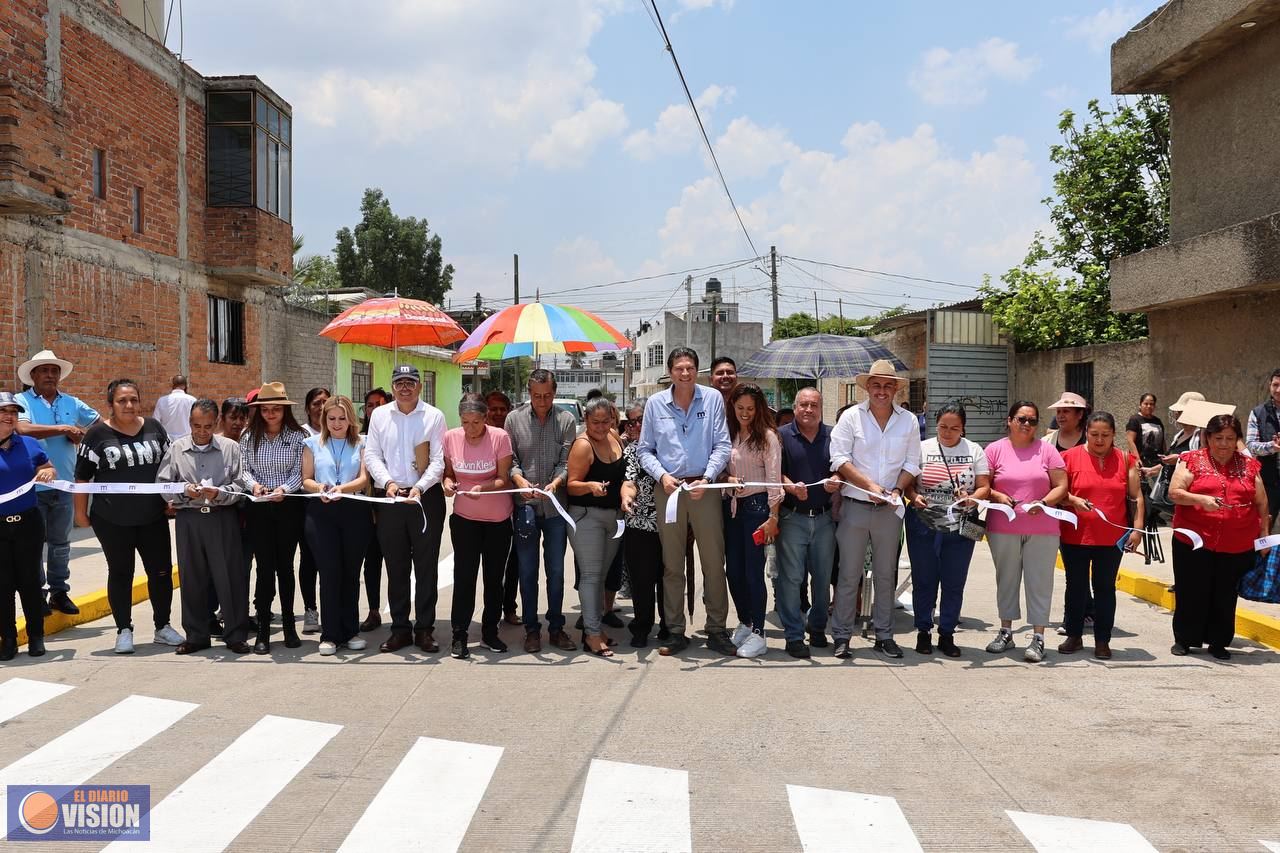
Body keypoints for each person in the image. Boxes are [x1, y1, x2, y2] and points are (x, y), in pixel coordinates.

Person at [636, 347, 736, 657]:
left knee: (713, 562)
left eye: (690, 367)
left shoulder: (713, 399)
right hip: (669, 490)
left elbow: (722, 444)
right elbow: (644, 451)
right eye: (679, 368)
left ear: (697, 370)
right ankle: (675, 630)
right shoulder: (655, 404)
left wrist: (707, 478)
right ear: (670, 371)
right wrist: (662, 476)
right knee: (672, 564)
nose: (685, 373)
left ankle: (717, 628)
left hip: (704, 489)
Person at [74, 378, 183, 654]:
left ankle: (163, 627)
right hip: (112, 519)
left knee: (159, 572)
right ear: (110, 404)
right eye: (122, 400)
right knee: (121, 573)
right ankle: (123, 629)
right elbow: (82, 477)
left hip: (153, 517)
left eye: (133, 399)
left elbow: (171, 467)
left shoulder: (155, 429)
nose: (129, 405)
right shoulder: (97, 435)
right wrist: (80, 515)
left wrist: (172, 500)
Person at [829, 360, 921, 660]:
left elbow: (911, 463)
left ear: (896, 389)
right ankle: (842, 636)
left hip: (889, 510)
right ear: (867, 387)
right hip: (855, 506)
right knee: (848, 575)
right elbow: (839, 459)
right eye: (877, 385)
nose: (882, 391)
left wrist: (895, 490)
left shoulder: (907, 421)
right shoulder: (851, 418)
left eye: (888, 385)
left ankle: (884, 635)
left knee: (886, 574)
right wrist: (870, 485)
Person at [1168, 414, 1270, 660]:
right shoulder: (1191, 460)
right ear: (1207, 438)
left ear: (1238, 440)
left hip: (1237, 543)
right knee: (1191, 590)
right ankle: (1185, 638)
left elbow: (1262, 502)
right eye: (1218, 438)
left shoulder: (1249, 466)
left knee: (1225, 594)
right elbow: (1174, 492)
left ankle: (1218, 641)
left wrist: (1264, 536)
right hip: (1193, 541)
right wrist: (1200, 500)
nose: (1224, 444)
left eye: (1230, 439)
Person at [156, 398, 252, 655]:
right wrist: (185, 492)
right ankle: (197, 635)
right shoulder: (176, 449)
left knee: (229, 577)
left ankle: (235, 635)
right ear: (189, 423)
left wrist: (219, 492)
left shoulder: (230, 448)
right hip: (189, 520)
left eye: (208, 427)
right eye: (197, 426)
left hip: (222, 517)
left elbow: (241, 485)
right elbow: (164, 485)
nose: (202, 432)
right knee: (192, 578)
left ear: (216, 423)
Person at [363, 365, 448, 654]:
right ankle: (400, 628)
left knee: (426, 568)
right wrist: (386, 482)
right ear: (393, 387)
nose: (405, 388)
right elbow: (372, 455)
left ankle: (424, 628)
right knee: (396, 566)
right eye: (399, 383)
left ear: (419, 386)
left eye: (411, 382)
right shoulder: (379, 415)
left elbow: (438, 460)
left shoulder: (434, 416)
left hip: (425, 499)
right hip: (391, 498)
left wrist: (420, 487)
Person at [982, 401, 1068, 663]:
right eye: (1021, 419)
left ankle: (1039, 637)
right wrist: (998, 495)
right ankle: (1006, 631)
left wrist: (1044, 503)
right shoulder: (995, 449)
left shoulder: (1048, 450)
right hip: (1002, 527)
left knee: (1039, 582)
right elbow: (983, 485)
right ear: (1009, 420)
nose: (1027, 425)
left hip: (1043, 528)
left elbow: (1061, 486)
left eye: (1032, 420)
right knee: (1006, 579)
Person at [903, 403, 990, 658]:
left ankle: (947, 632)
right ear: (935, 425)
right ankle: (923, 631)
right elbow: (908, 485)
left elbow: (985, 486)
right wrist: (913, 497)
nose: (948, 432)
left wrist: (972, 498)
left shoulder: (974, 450)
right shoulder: (921, 448)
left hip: (966, 521)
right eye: (943, 427)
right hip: (924, 520)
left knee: (955, 579)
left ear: (963, 428)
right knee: (924, 578)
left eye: (954, 428)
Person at [16, 349, 98, 616]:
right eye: (44, 371)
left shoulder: (72, 403)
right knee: (34, 544)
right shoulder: (22, 401)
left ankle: (59, 592)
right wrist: (64, 429)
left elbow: (98, 426)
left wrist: (81, 434)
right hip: (30, 487)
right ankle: (37, 593)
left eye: (54, 371)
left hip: (64, 486)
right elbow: (23, 429)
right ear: (33, 376)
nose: (50, 375)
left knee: (61, 543)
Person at [1058, 412, 1143, 660]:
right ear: (1086, 432)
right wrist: (1073, 500)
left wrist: (1137, 529)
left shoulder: (1125, 459)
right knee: (1076, 587)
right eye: (1094, 434)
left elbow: (1136, 497)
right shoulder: (1069, 458)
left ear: (1113, 435)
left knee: (1105, 588)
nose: (1099, 440)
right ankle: (1073, 635)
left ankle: (1102, 640)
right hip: (1076, 536)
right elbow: (1057, 492)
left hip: (1111, 538)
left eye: (1105, 435)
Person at [506, 369, 578, 654]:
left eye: (547, 395)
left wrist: (557, 481)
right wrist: (518, 479)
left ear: (555, 392)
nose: (542, 401)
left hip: (555, 507)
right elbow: (510, 458)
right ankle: (531, 629)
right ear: (528, 393)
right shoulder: (514, 420)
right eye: (537, 396)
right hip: (525, 505)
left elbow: (567, 459)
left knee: (557, 571)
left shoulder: (566, 420)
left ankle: (557, 627)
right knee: (526, 570)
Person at [442, 394, 513, 659]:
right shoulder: (450, 437)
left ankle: (490, 632)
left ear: (485, 418)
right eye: (465, 422)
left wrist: (481, 488)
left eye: (475, 422)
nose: (470, 429)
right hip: (465, 520)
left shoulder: (499, 437)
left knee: (494, 579)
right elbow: (448, 473)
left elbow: (503, 479)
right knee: (464, 578)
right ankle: (459, 634)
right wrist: (447, 483)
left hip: (497, 520)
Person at [240, 382, 307, 655]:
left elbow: (301, 471)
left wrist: (284, 489)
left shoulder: (298, 436)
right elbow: (243, 469)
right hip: (258, 506)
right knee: (264, 569)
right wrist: (254, 485)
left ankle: (290, 625)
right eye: (265, 409)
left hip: (288, 505)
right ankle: (264, 630)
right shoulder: (248, 436)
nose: (270, 414)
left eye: (276, 409)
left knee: (286, 568)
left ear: (284, 410)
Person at [301, 395, 371, 656]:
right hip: (322, 512)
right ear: (324, 419)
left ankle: (350, 631)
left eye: (342, 418)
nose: (337, 423)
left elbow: (364, 478)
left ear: (351, 419)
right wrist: (321, 487)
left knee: (351, 573)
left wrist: (342, 488)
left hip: (354, 509)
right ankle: (330, 634)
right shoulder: (311, 443)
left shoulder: (362, 443)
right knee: (329, 573)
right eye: (332, 418)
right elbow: (306, 479)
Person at [775, 388, 839, 659]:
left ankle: (817, 628)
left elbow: (842, 464)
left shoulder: (833, 435)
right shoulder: (781, 435)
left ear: (821, 407)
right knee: (791, 579)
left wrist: (835, 478)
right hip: (792, 517)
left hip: (824, 518)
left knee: (823, 579)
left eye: (814, 405)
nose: (808, 410)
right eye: (803, 405)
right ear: (795, 406)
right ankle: (793, 635)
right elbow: (775, 471)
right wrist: (790, 487)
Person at [722, 384, 783, 659]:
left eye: (750, 408)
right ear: (732, 408)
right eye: (740, 408)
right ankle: (745, 621)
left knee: (752, 572)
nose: (745, 413)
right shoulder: (727, 434)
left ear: (758, 409)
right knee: (732, 571)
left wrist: (773, 517)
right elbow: (720, 468)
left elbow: (774, 480)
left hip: (758, 509)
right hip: (732, 508)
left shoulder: (768, 438)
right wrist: (727, 480)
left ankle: (759, 631)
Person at [567, 396, 626, 657]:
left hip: (613, 517)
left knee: (601, 575)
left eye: (606, 421)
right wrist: (590, 486)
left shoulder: (614, 435)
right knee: (590, 577)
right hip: (586, 516)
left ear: (613, 419)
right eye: (595, 422)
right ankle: (591, 634)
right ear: (586, 420)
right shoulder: (583, 445)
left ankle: (596, 628)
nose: (601, 427)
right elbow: (571, 484)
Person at [0, 392, 55, 659]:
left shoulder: (30, 444)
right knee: (3, 585)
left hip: (28, 523)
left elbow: (49, 468)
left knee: (30, 581)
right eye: (4, 411)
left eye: (13, 412)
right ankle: (8, 640)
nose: (9, 416)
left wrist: (48, 472)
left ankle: (36, 636)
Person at [620, 397, 667, 648]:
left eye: (641, 420)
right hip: (638, 523)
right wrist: (628, 497)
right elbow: (628, 482)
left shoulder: (670, 448)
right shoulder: (630, 452)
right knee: (642, 580)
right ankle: (641, 626)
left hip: (669, 524)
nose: (636, 426)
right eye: (631, 422)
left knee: (668, 579)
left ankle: (669, 626)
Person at [296, 387, 331, 635]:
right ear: (308, 407)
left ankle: (333, 610)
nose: (320, 407)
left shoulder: (337, 432)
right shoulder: (301, 435)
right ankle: (311, 610)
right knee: (309, 560)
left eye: (325, 402)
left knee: (332, 561)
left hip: (336, 505)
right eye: (316, 403)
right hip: (308, 503)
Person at [485, 390, 521, 626]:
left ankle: (509, 606)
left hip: (516, 504)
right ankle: (493, 609)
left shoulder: (515, 434)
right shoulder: (479, 435)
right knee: (492, 565)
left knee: (514, 561)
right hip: (486, 510)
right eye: (493, 408)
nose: (498, 413)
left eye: (503, 409)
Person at [358, 386, 389, 632]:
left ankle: (403, 613)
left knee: (398, 563)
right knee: (371, 563)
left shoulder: (392, 435)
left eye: (380, 404)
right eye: (370, 405)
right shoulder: (357, 438)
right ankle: (373, 610)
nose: (375, 409)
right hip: (365, 510)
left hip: (391, 507)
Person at [1246, 368, 1280, 529]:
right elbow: (1251, 445)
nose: (1278, 390)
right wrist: (1271, 447)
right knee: (1264, 527)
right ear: (1269, 385)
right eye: (1275, 385)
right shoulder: (1258, 413)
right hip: (1268, 482)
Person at [151, 375, 196, 440]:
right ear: (185, 385)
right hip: (187, 440)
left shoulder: (162, 401)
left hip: (168, 441)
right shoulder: (192, 400)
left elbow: (155, 422)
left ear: (172, 385)